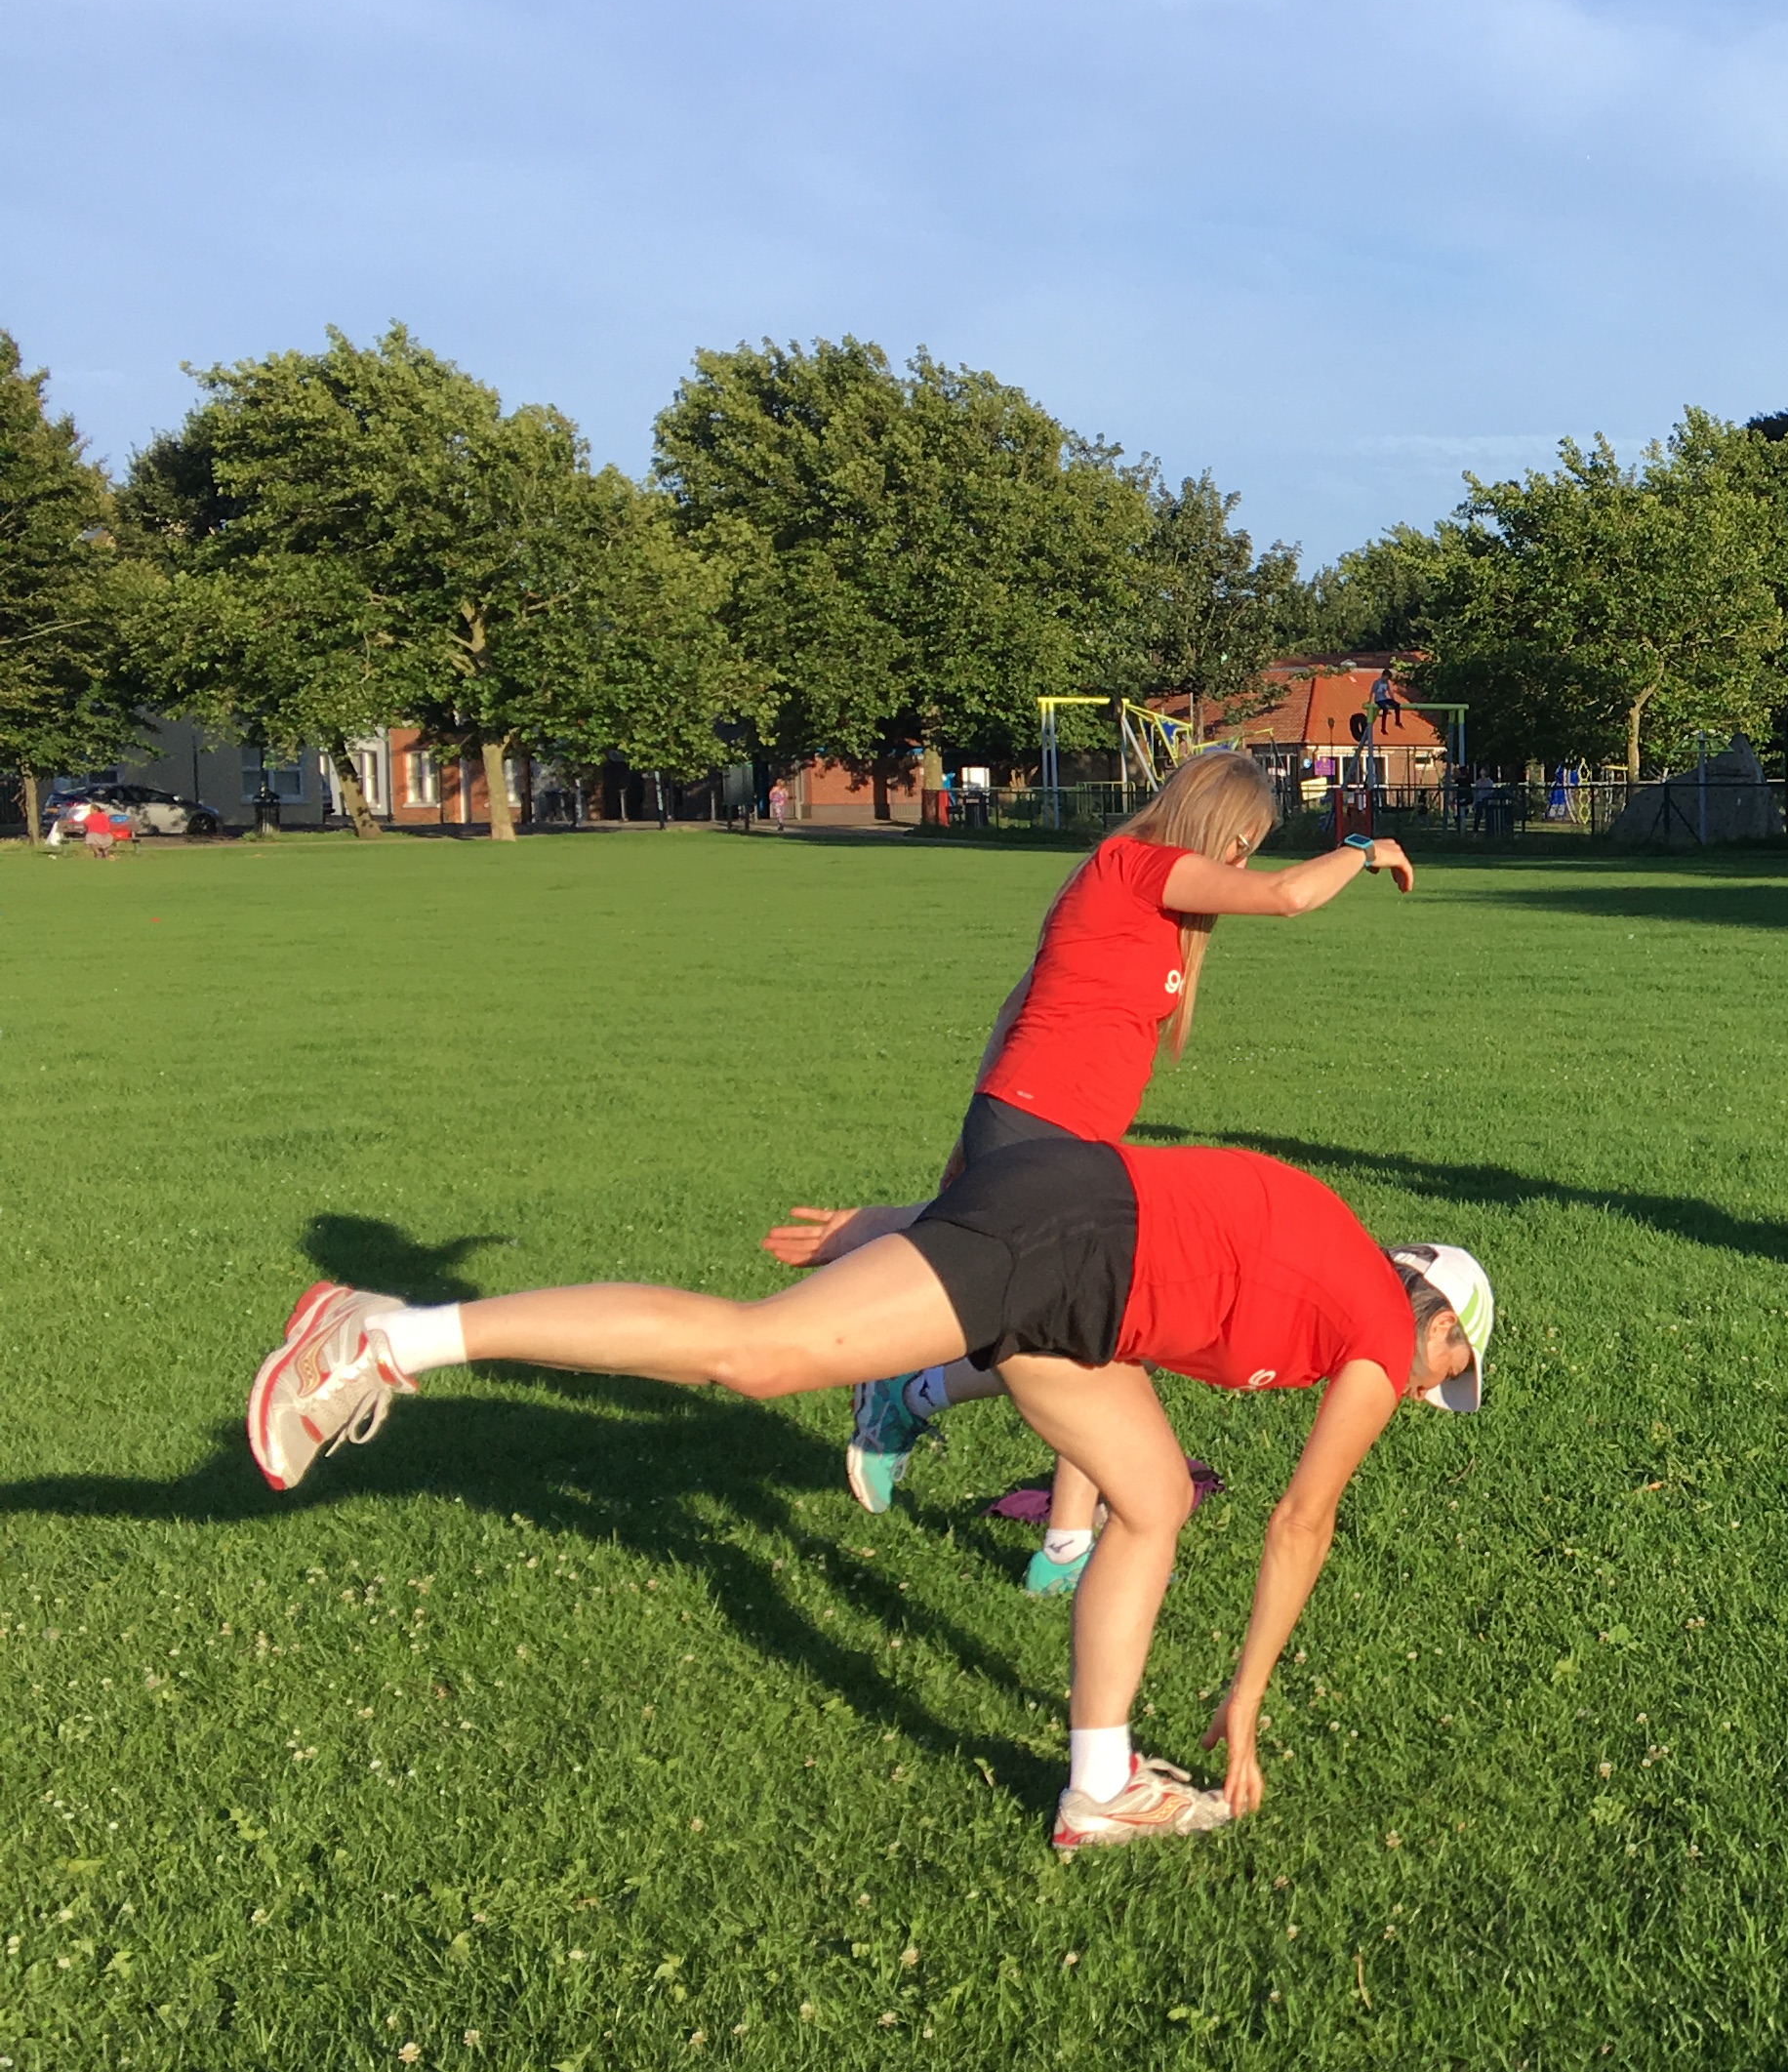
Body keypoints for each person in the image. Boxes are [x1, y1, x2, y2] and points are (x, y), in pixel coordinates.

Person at [244, 1137, 1494, 1856]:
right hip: (1065, 1252)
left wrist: (893, 1224)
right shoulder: (1378, 1331)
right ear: (1434, 1319)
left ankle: (1100, 1785)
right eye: (1454, 1365)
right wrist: (1246, 1698)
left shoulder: (1325, 1261)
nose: (1432, 1387)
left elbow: (1122, 1208)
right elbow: (1301, 1521)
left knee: (1154, 1496)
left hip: (1074, 1265)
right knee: (754, 1353)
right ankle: (389, 1338)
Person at [777, 748, 1410, 1597]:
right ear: (1212, 820)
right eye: (1241, 842)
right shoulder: (1131, 866)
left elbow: (1017, 1001)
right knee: (1064, 1327)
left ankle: (1059, 1533)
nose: (1240, 863)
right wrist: (1365, 849)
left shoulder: (1151, 895)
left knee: (1097, 1332)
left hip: (1067, 1140)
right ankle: (909, 1395)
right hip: (1036, 1121)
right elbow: (1288, 896)